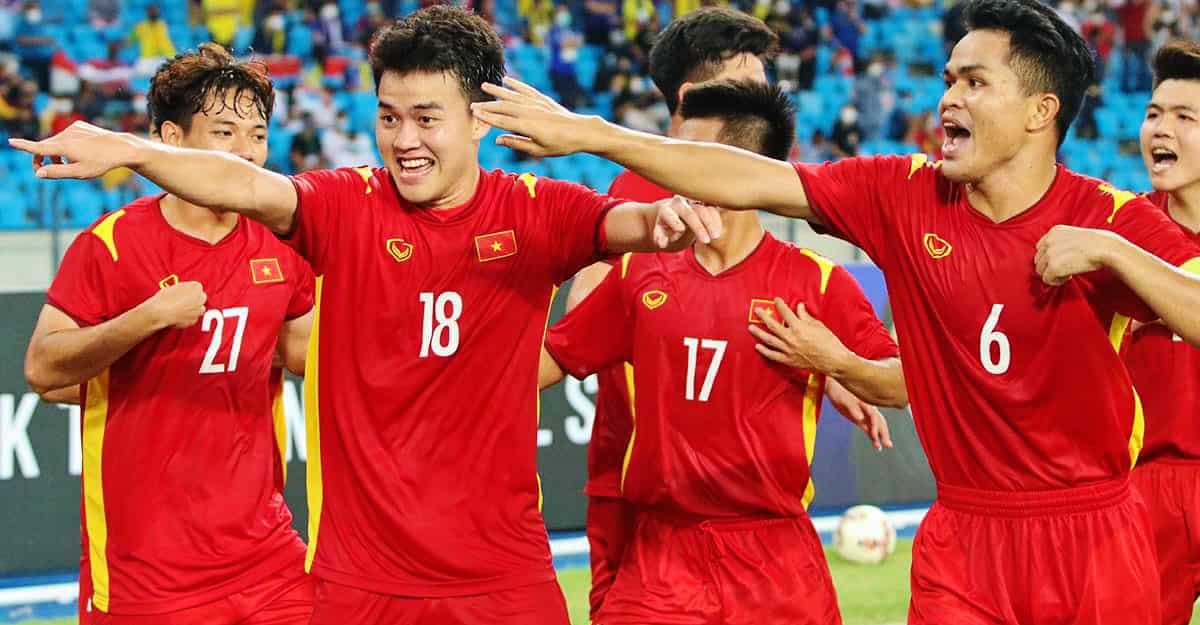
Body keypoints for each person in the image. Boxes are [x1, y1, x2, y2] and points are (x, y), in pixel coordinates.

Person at [470, 0, 1200, 621]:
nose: (949, 99)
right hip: (962, 536)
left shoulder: (1109, 219)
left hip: (1093, 531)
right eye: (948, 79)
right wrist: (594, 135)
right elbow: (752, 176)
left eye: (976, 83)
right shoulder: (904, 193)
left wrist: (1118, 256)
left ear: (1042, 111)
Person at [10, 7, 719, 624]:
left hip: (498, 573)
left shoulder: (537, 211)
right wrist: (132, 153)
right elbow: (246, 186)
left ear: (479, 119)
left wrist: (659, 214)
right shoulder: (341, 205)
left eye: (426, 118)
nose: (404, 139)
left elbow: (642, 218)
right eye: (388, 117)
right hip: (348, 579)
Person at [540, 79, 906, 625]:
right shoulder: (641, 274)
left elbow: (902, 385)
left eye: (689, 158)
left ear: (740, 168)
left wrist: (835, 363)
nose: (670, 173)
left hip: (776, 562)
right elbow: (543, 363)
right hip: (662, 559)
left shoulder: (819, 283)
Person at [22, 43, 315, 625]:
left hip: (267, 559)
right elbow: (43, 370)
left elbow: (310, 355)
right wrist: (145, 319)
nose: (246, 152)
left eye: (257, 135)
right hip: (146, 574)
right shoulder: (110, 245)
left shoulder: (284, 244)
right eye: (224, 132)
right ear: (170, 139)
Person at [1122, 39, 1200, 625]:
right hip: (1145, 491)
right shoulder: (1118, 234)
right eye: (1154, 114)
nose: (1160, 129)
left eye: (1184, 117)